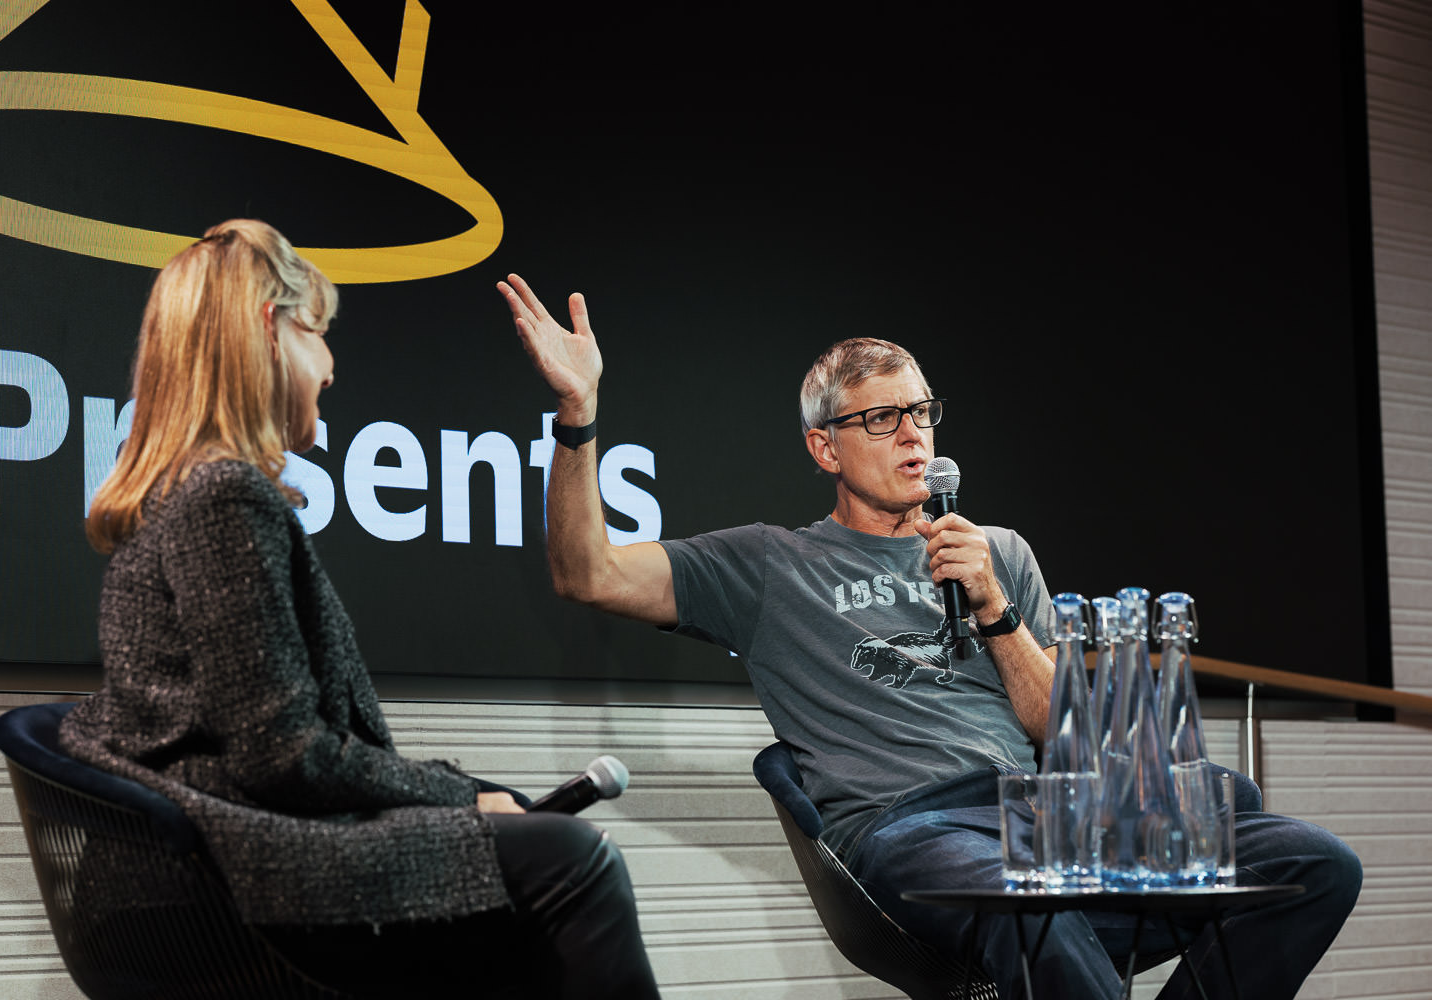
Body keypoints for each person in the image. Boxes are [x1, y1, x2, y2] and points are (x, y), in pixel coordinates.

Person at [498, 273, 1362, 999]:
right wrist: (579, 413)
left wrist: (995, 605)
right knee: (1038, 908)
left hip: (1036, 814)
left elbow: (1062, 731)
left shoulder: (999, 554)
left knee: (1313, 865)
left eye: (921, 412)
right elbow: (588, 572)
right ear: (824, 447)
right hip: (910, 830)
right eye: (883, 419)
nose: (913, 433)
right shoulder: (771, 565)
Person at [60, 221, 659, 999]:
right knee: (572, 861)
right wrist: (459, 794)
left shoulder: (183, 497)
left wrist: (465, 794)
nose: (333, 368)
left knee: (517, 840)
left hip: (196, 875)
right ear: (266, 335)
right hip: (223, 891)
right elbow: (284, 757)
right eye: (319, 334)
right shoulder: (224, 499)